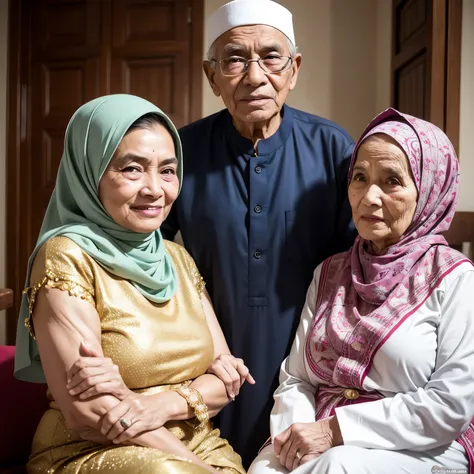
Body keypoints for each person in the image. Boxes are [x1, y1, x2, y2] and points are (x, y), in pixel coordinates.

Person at [161, 0, 356, 464]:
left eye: (271, 57)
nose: (254, 75)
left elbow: (357, 264)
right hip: (207, 356)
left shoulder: (333, 147)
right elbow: (149, 249)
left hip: (308, 359)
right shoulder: (181, 150)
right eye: (234, 59)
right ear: (212, 76)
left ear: (294, 69)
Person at [14, 94, 249, 474]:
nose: (155, 189)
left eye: (168, 171)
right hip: (91, 451)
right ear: (88, 172)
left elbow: (224, 384)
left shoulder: (177, 259)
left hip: (202, 444)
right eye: (132, 169)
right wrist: (196, 466)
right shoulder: (66, 255)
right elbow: (86, 411)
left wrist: (151, 403)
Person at [248, 108, 474, 474]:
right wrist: (296, 440)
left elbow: (449, 406)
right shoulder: (330, 273)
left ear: (429, 189)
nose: (369, 196)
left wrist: (333, 432)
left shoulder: (455, 279)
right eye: (359, 177)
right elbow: (297, 379)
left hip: (421, 445)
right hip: (318, 436)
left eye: (391, 181)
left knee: (340, 466)